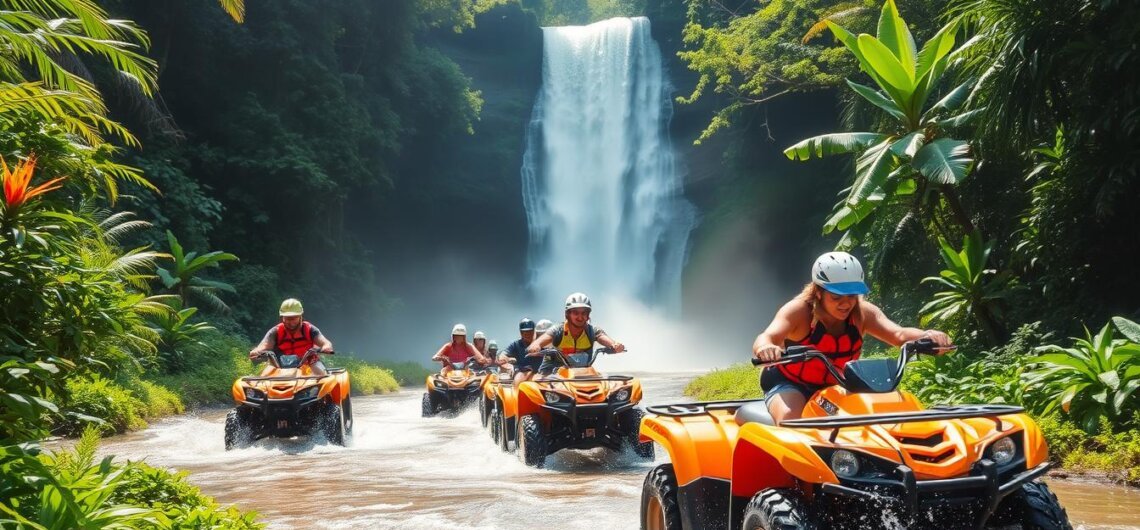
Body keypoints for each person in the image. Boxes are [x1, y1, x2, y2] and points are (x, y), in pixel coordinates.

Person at [751, 252, 952, 424]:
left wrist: (928, 336)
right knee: (792, 420)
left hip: (836, 383)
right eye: (837, 297)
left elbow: (898, 334)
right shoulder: (800, 311)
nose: (846, 304)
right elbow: (768, 336)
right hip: (790, 382)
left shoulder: (862, 313)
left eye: (851, 296)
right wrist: (766, 348)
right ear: (819, 292)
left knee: (880, 414)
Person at [527, 293, 624, 377]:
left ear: (588, 315)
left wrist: (615, 345)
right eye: (575, 313)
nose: (580, 317)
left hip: (583, 373)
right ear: (567, 314)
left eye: (584, 313)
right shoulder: (558, 330)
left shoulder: (592, 331)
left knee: (606, 385)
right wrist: (536, 345)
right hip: (552, 373)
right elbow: (546, 337)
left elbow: (602, 336)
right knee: (540, 387)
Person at [248, 298, 334, 375]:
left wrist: (326, 347)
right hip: (279, 365)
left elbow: (325, 343)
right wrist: (256, 352)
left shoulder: (310, 329)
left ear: (300, 317)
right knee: (264, 378)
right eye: (287, 318)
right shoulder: (275, 331)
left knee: (321, 376)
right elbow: (263, 346)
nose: (291, 322)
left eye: (294, 318)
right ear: (282, 318)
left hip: (309, 363)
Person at [502, 318, 541, 384]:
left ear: (534, 331)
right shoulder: (516, 344)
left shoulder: (541, 342)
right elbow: (502, 356)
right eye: (524, 332)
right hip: (522, 375)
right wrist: (509, 366)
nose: (527, 334)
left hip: (540, 376)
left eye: (530, 331)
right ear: (521, 332)